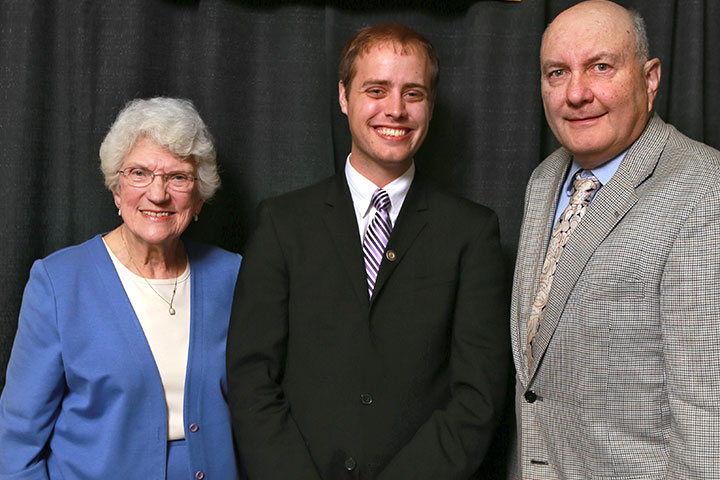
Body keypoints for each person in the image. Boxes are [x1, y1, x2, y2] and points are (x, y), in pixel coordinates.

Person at [227, 23, 508, 479]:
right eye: (376, 89)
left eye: (413, 94)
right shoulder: (282, 224)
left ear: (431, 107)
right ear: (344, 97)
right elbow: (250, 378)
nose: (395, 110)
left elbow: (478, 397)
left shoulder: (471, 233)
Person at [510, 1, 720, 478]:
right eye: (557, 73)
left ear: (650, 78)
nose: (576, 93)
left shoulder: (705, 191)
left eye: (600, 67)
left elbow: (709, 422)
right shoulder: (544, 182)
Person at [0, 97, 242, 479]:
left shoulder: (234, 277)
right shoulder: (59, 283)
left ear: (199, 198)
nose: (158, 194)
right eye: (139, 173)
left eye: (178, 177)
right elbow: (16, 445)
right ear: (116, 189)